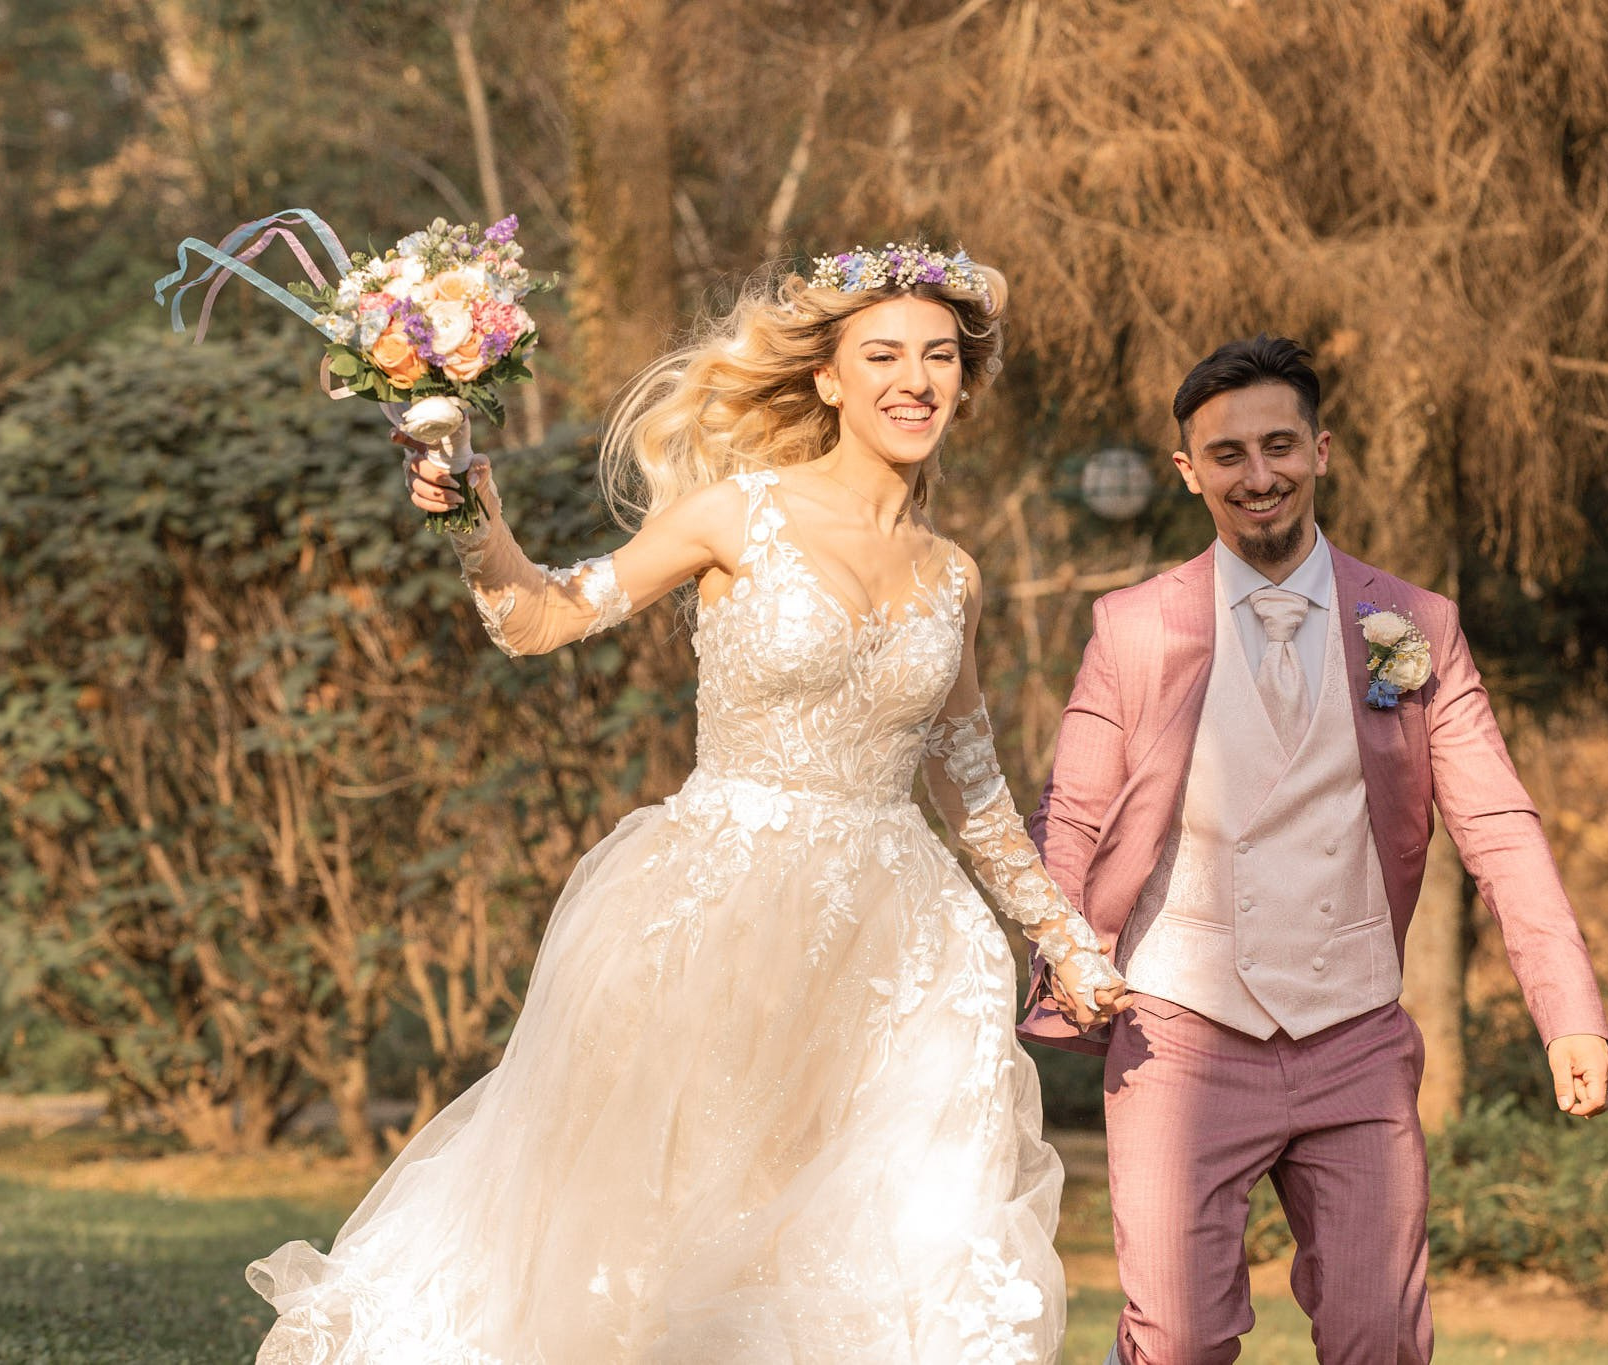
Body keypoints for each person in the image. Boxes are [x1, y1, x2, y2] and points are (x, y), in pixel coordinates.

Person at [247, 244, 1129, 1364]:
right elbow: (543, 618)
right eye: (884, 355)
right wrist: (470, 511)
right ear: (827, 380)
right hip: (722, 919)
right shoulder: (734, 516)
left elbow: (971, 785)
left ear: (964, 380)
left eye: (940, 358)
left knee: (893, 1246)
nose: (915, 379)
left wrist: (1064, 939)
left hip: (902, 953)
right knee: (669, 1238)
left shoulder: (950, 571)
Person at [1019, 335, 1608, 1365]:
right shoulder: (1133, 627)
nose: (1258, 477)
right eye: (1228, 455)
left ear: (1321, 450)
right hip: (1178, 1032)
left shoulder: (1409, 626)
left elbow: (1496, 827)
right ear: (1187, 471)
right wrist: (1064, 950)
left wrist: (1568, 1013)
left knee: (1378, 1338)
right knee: (1177, 1342)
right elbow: (1069, 813)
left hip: (1351, 1033)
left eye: (1279, 446)